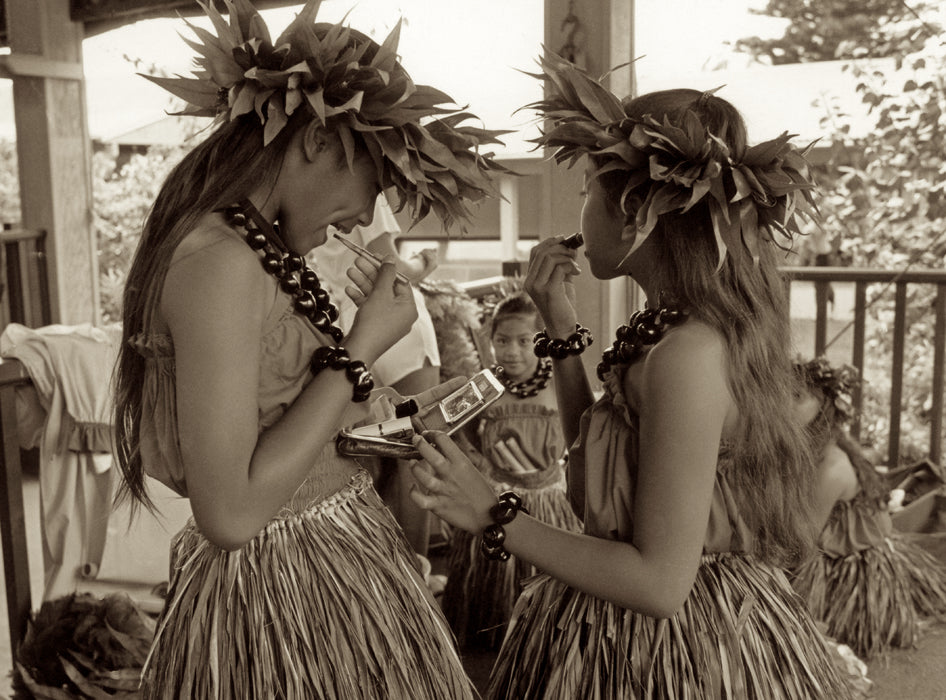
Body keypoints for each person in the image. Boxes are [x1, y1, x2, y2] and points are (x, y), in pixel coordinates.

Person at [409, 50, 857, 698]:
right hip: (618, 624)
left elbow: (657, 583)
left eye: (590, 187)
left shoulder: (687, 354)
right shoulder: (666, 329)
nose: (580, 208)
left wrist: (493, 511)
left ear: (638, 214)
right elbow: (597, 481)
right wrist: (560, 329)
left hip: (677, 651)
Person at [111, 1, 506, 696]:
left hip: (339, 568)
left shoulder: (260, 255)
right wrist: (357, 349)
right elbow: (230, 513)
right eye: (375, 186)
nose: (365, 216)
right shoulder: (221, 262)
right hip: (277, 593)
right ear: (318, 142)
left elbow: (305, 440)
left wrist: (405, 417)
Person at [441, 291, 582, 650]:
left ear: (542, 341)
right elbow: (452, 423)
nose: (512, 351)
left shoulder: (559, 385)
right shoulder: (482, 388)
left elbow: (581, 435)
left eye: (524, 341)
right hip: (495, 500)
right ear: (490, 341)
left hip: (550, 506)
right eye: (502, 341)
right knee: (490, 601)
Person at [312, 192, 442, 556]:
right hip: (394, 320)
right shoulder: (367, 193)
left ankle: (376, 563)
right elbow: (390, 266)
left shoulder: (314, 201)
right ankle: (415, 571)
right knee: (416, 452)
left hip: (346, 324)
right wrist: (423, 264)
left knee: (369, 455)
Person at [792, 356, 946, 659]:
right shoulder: (814, 449)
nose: (781, 402)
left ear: (824, 409)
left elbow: (801, 540)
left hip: (846, 566)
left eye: (796, 397)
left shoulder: (831, 467)